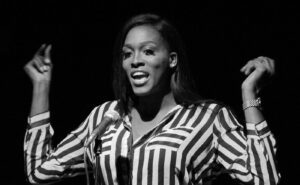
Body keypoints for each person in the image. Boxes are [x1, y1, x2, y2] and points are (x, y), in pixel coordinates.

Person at [23, 13, 280, 185]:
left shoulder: (208, 118)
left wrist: (250, 93)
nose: (135, 61)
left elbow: (264, 179)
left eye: (148, 51)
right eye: (127, 54)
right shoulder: (105, 117)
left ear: (171, 61)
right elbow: (40, 170)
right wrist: (41, 86)